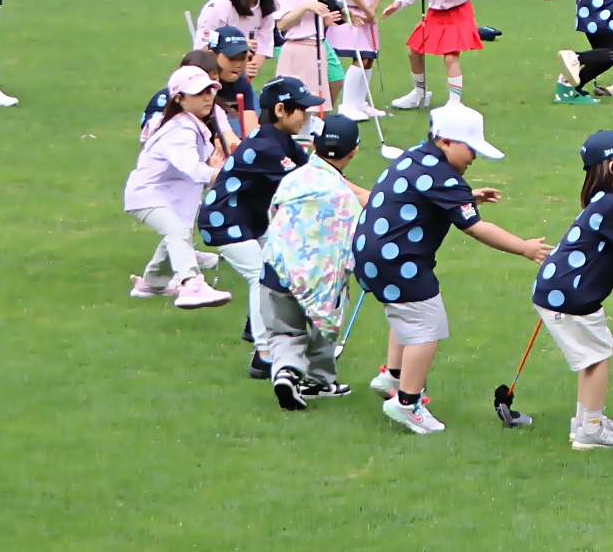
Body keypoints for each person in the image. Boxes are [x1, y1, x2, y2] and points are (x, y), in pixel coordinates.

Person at [353, 101, 549, 433]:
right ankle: (407, 403)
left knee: (407, 315)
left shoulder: (416, 157)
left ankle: (394, 377)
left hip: (371, 254)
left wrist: (467, 196)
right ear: (446, 141)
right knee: (428, 325)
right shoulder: (444, 177)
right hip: (399, 261)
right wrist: (524, 247)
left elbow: (425, 194)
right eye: (470, 148)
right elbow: (475, 227)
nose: (474, 157)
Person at [531, 130, 613, 451]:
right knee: (597, 357)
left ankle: (586, 422)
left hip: (561, 291)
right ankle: (591, 431)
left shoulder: (606, 202)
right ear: (611, 166)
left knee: (592, 356)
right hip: (570, 295)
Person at [200, 76, 322, 381]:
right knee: (260, 275)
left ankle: (253, 325)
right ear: (281, 110)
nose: (306, 115)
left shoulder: (282, 141)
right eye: (302, 109)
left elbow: (315, 173)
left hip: (251, 220)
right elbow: (306, 185)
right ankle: (264, 354)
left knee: (280, 265)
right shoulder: (266, 147)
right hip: (224, 221)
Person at [260, 112, 368, 405]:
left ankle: (286, 371)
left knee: (284, 331)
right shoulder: (345, 197)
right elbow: (355, 240)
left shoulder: (292, 180)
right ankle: (318, 380)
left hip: (277, 270)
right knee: (323, 328)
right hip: (321, 280)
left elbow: (273, 215)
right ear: (354, 151)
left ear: (314, 144)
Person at [124, 64, 232, 308]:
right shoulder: (181, 129)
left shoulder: (190, 125)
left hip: (165, 195)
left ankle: (152, 281)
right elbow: (190, 167)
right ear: (180, 99)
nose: (207, 97)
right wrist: (219, 174)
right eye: (199, 93)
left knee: (178, 230)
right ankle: (191, 283)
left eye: (209, 91)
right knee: (177, 231)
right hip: (147, 196)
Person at [195, 0, 281, 91]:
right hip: (214, 81)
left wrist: (252, 65)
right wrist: (238, 47)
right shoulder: (219, 6)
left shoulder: (267, 6)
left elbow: (264, 45)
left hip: (240, 79)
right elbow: (203, 49)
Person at [267, 0, 342, 99]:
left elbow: (306, 19)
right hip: (297, 48)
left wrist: (323, 20)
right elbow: (282, 24)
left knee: (317, 96)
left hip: (314, 45)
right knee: (301, 97)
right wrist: (306, 7)